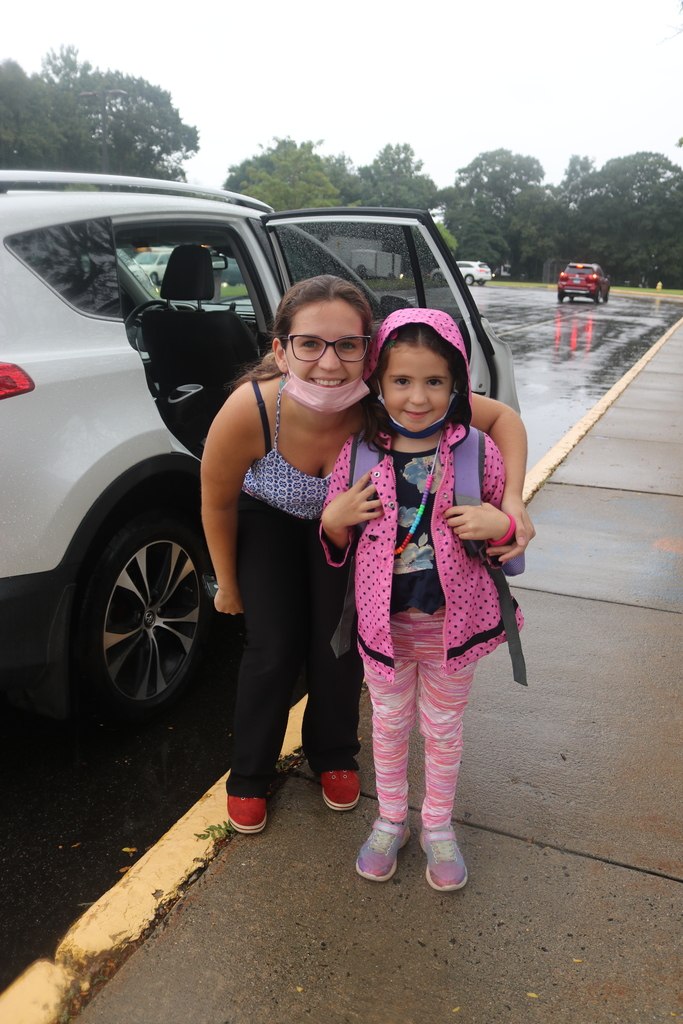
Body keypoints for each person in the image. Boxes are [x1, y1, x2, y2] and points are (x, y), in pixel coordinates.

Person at [201, 277, 533, 836]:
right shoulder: (252, 409)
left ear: (368, 351)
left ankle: (333, 754)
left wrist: (515, 501)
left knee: (342, 639)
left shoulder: (384, 401)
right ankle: (248, 778)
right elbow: (216, 501)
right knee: (273, 645)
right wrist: (228, 583)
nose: (329, 364)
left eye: (347, 346)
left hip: (351, 529)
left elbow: (501, 420)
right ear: (280, 348)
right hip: (271, 521)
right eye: (309, 344)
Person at [320, 307, 524, 890]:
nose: (417, 397)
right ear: (378, 383)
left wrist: (500, 526)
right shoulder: (359, 453)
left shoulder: (477, 451)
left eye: (434, 382)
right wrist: (333, 520)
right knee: (387, 724)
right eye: (401, 381)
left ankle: (436, 825)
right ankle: (390, 819)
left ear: (457, 383)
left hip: (451, 628)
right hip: (386, 629)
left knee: (443, 727)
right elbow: (338, 539)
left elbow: (509, 540)